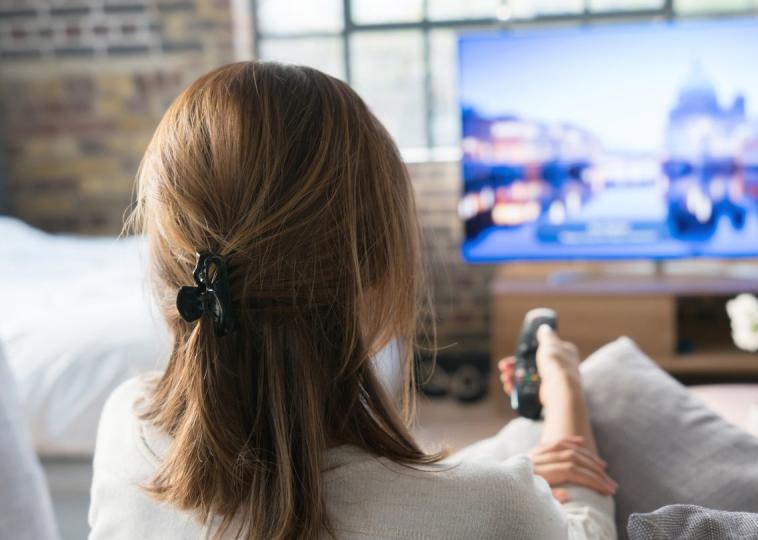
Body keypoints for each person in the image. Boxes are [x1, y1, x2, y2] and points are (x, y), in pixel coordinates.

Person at [89, 61, 616, 539]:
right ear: (378, 266)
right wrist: (566, 388)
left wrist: (493, 467)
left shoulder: (124, 426)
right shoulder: (496, 508)